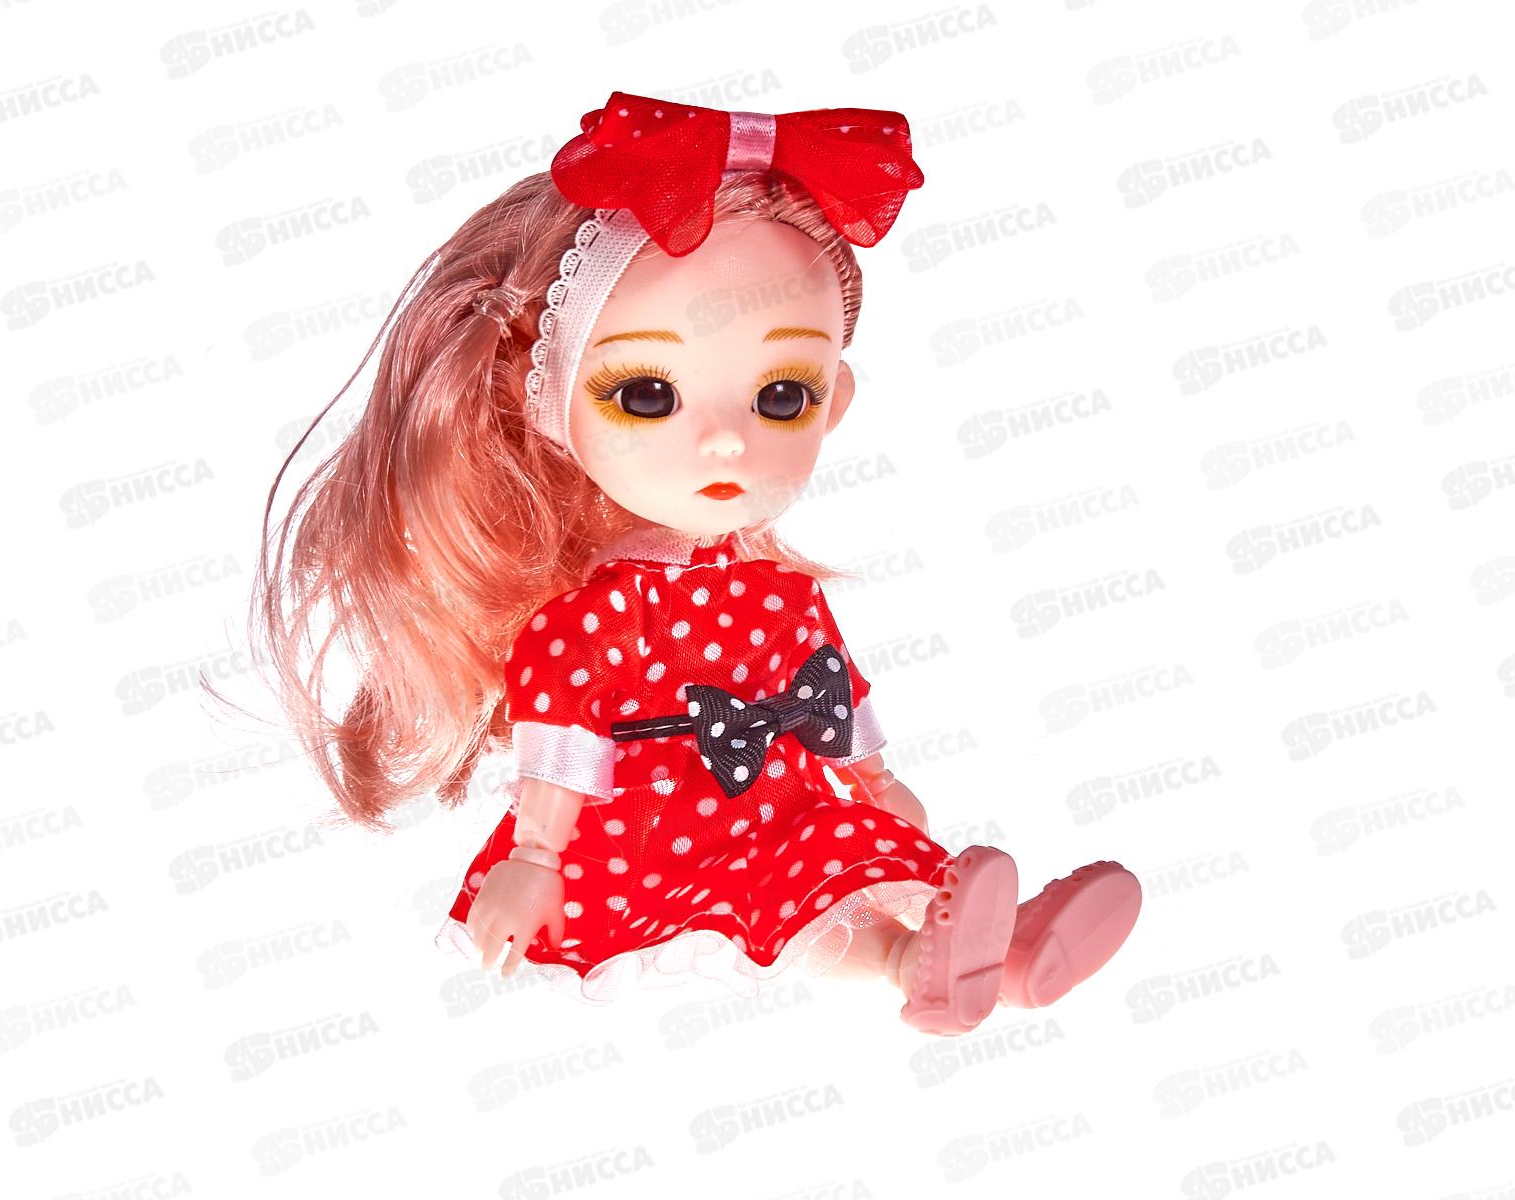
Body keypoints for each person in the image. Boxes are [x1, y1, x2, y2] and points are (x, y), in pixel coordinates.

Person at [253, 92, 1141, 1036]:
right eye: (646, 394)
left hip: (778, 792)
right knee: (784, 898)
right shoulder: (591, 618)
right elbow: (560, 737)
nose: (726, 442)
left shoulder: (779, 594)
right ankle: (927, 960)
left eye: (783, 395)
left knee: (839, 858)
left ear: (834, 402)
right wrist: (535, 860)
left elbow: (832, 689)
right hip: (649, 822)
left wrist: (880, 786)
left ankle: (993, 959)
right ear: (548, 403)